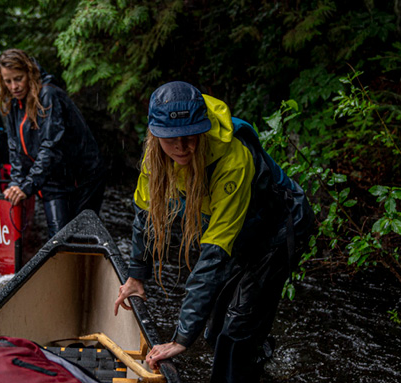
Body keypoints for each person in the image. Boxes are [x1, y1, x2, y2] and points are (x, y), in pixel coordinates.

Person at [113, 81, 315, 382]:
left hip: (278, 229)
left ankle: (246, 359)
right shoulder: (154, 155)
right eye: (171, 139)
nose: (182, 148)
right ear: (155, 135)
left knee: (234, 333)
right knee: (215, 330)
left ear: (203, 128)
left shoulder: (232, 160)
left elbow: (213, 255)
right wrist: (136, 275)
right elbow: (145, 214)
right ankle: (259, 358)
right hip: (241, 232)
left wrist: (181, 339)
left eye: (189, 136)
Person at [0, 49, 107, 237]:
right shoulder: (15, 104)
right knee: (58, 240)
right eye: (8, 81)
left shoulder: (49, 95)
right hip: (51, 179)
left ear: (29, 73)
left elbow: (51, 146)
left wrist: (27, 186)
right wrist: (16, 182)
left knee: (78, 236)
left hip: (82, 177)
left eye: (18, 78)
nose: (14, 86)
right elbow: (14, 148)